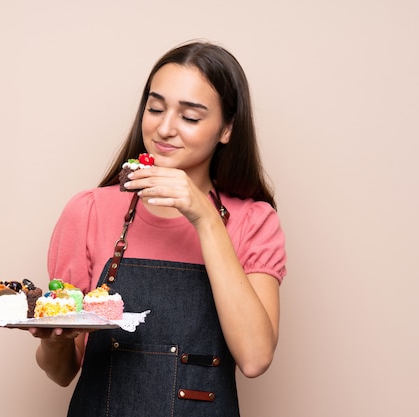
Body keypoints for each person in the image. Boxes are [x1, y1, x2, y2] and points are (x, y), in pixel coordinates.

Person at [29, 40, 287, 416]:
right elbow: (63, 372)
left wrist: (205, 218)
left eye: (191, 117)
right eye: (155, 108)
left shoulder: (253, 221)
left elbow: (255, 358)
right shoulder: (88, 210)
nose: (164, 128)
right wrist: (53, 341)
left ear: (227, 128)